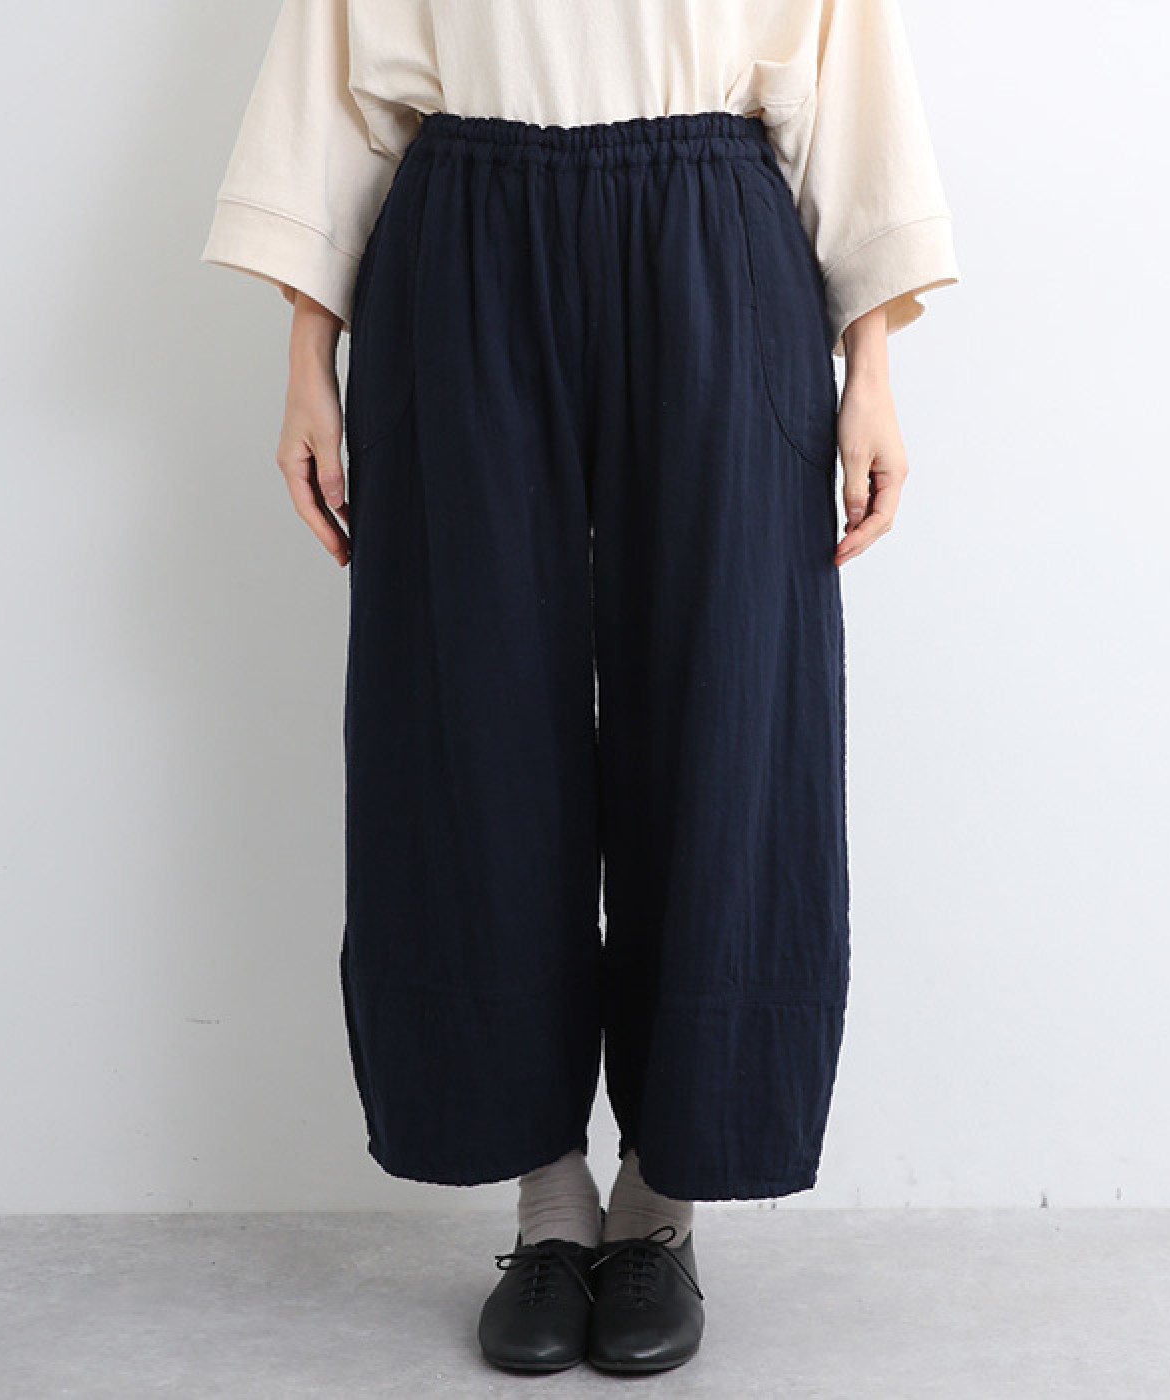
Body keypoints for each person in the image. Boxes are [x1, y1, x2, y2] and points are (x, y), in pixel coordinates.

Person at [201, 0, 959, 1376]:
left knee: (728, 705)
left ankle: (658, 1210)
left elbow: (848, 84)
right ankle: (550, 1209)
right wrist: (307, 362)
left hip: (713, 228)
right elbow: (333, 92)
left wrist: (873, 371)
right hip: (466, 234)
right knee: (472, 714)